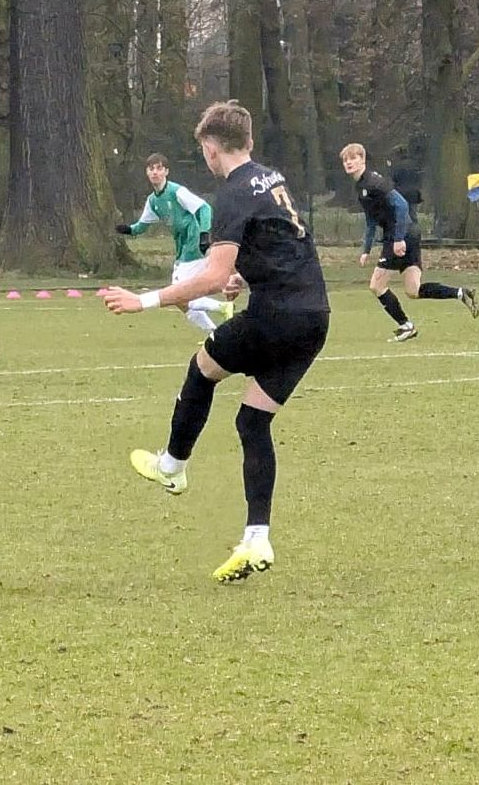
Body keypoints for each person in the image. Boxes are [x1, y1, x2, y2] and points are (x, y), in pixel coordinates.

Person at [104, 101, 330, 583]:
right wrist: (244, 277)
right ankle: (257, 537)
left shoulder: (230, 195)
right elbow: (286, 243)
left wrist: (143, 300)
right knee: (252, 421)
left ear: (210, 149)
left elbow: (210, 276)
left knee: (203, 367)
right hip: (314, 317)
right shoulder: (271, 178)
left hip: (276, 316)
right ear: (248, 141)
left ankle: (172, 465)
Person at [341, 143, 479, 342]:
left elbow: (402, 205)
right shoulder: (361, 186)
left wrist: (398, 239)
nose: (349, 163)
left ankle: (406, 326)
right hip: (410, 234)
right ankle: (460, 293)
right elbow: (371, 220)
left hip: (400, 235)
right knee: (413, 290)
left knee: (376, 286)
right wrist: (366, 249)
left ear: (362, 160)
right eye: (346, 160)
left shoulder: (373, 182)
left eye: (353, 158)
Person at [115, 153, 235, 333]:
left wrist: (204, 235)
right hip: (181, 247)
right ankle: (215, 333)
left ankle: (221, 309)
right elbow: (142, 225)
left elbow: (204, 208)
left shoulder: (177, 191)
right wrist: (128, 230)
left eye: (159, 168)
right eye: (151, 169)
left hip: (193, 243)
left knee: (179, 293)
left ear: (166, 171)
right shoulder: (153, 200)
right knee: (181, 299)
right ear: (147, 172)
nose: (155, 172)